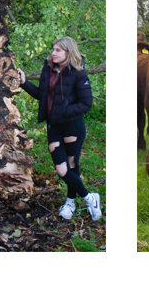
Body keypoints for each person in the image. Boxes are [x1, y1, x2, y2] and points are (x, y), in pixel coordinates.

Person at [18, 37, 101, 221]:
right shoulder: (48, 69)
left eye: (58, 50)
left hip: (72, 126)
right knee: (62, 169)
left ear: (68, 53)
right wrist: (24, 82)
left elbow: (86, 103)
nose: (53, 53)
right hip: (53, 126)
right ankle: (90, 197)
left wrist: (64, 110)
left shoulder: (78, 74)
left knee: (72, 165)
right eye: (53, 49)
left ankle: (70, 202)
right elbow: (41, 94)